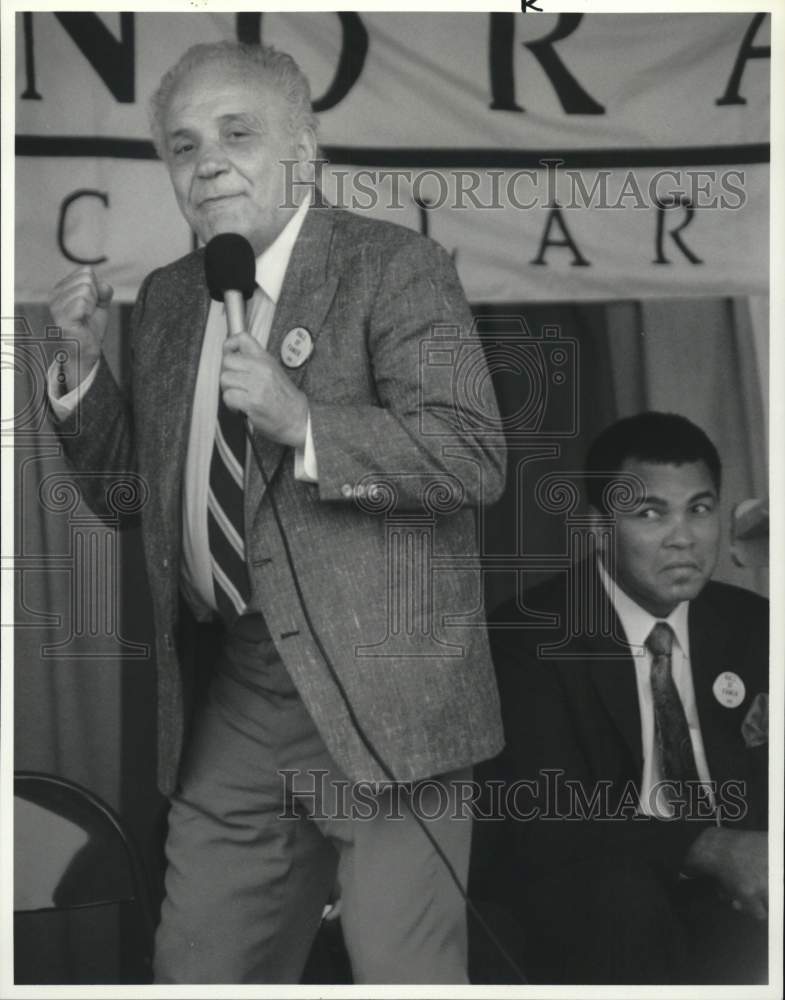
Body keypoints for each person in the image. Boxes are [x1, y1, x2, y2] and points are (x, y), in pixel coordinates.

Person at [47, 41, 506, 984]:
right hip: (241, 690)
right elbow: (133, 498)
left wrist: (304, 422)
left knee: (400, 969)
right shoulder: (174, 298)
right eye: (181, 146)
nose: (205, 161)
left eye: (236, 133)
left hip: (386, 688)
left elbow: (471, 457)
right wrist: (84, 375)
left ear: (305, 149)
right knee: (201, 965)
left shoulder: (397, 266)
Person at [475, 412, 768, 985]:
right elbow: (545, 812)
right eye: (650, 513)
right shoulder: (529, 634)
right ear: (598, 529)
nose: (683, 537)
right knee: (618, 902)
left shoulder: (756, 625)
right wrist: (708, 847)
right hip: (602, 899)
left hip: (739, 894)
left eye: (700, 509)